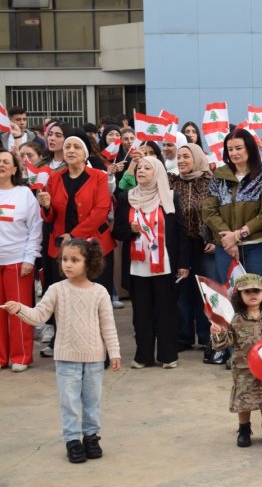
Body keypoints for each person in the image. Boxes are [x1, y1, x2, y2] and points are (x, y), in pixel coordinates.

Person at [1, 239, 120, 464]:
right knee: (69, 402)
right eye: (64, 259)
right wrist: (19, 309)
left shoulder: (100, 293)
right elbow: (39, 315)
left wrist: (114, 352)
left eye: (75, 260)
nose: (68, 264)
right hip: (66, 359)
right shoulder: (56, 290)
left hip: (94, 359)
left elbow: (108, 326)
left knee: (92, 401)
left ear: (89, 263)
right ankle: (72, 441)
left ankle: (91, 437)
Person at [37, 136, 116, 357]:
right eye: (68, 147)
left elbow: (100, 211)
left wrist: (73, 236)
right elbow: (51, 216)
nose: (71, 150)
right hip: (62, 250)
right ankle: (67, 351)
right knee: (65, 303)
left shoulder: (99, 176)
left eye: (76, 147)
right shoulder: (54, 178)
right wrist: (46, 206)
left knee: (95, 303)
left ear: (85, 153)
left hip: (94, 248)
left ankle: (100, 352)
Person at [113, 157, 189, 369]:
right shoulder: (126, 197)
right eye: (139, 168)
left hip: (164, 265)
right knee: (141, 313)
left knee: (166, 311)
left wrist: (183, 263)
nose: (141, 171)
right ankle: (143, 356)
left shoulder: (169, 197)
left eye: (147, 168)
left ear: (157, 173)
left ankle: (168, 355)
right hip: (137, 266)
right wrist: (130, 230)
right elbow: (117, 231)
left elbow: (181, 232)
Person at [210, 273, 262, 448]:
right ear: (240, 296)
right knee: (243, 402)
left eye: (256, 291)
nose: (252, 295)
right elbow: (224, 343)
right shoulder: (235, 320)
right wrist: (218, 332)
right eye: (247, 292)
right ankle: (244, 430)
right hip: (244, 369)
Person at [203, 129, 262, 288]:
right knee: (230, 294)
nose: (234, 153)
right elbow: (209, 211)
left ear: (249, 148)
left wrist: (238, 234)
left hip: (257, 246)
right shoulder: (219, 176)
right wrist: (229, 239)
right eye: (230, 149)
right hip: (226, 247)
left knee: (258, 293)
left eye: (238, 148)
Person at [169, 143, 217, 357]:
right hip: (181, 244)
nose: (181, 161)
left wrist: (215, 239)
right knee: (182, 291)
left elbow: (218, 212)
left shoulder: (210, 182)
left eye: (186, 157)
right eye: (179, 157)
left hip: (204, 244)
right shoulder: (173, 182)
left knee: (205, 290)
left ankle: (207, 336)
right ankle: (184, 336)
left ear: (197, 158)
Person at [0, 150, 42, 371]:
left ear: (14, 169)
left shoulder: (24, 194)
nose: (1, 164)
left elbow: (35, 228)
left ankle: (21, 356)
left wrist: (29, 258)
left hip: (17, 261)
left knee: (18, 311)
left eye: (5, 161)